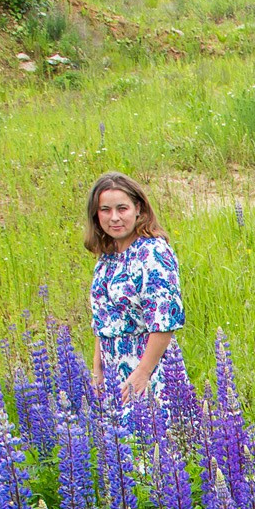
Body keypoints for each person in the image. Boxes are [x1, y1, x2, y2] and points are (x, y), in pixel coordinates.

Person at [84, 172, 184, 402]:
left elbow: (164, 321)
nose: (114, 217)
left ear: (138, 208)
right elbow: (103, 322)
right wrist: (97, 370)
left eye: (122, 208)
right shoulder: (107, 258)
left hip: (147, 373)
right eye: (105, 210)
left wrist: (142, 373)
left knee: (149, 436)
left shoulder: (153, 252)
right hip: (112, 377)